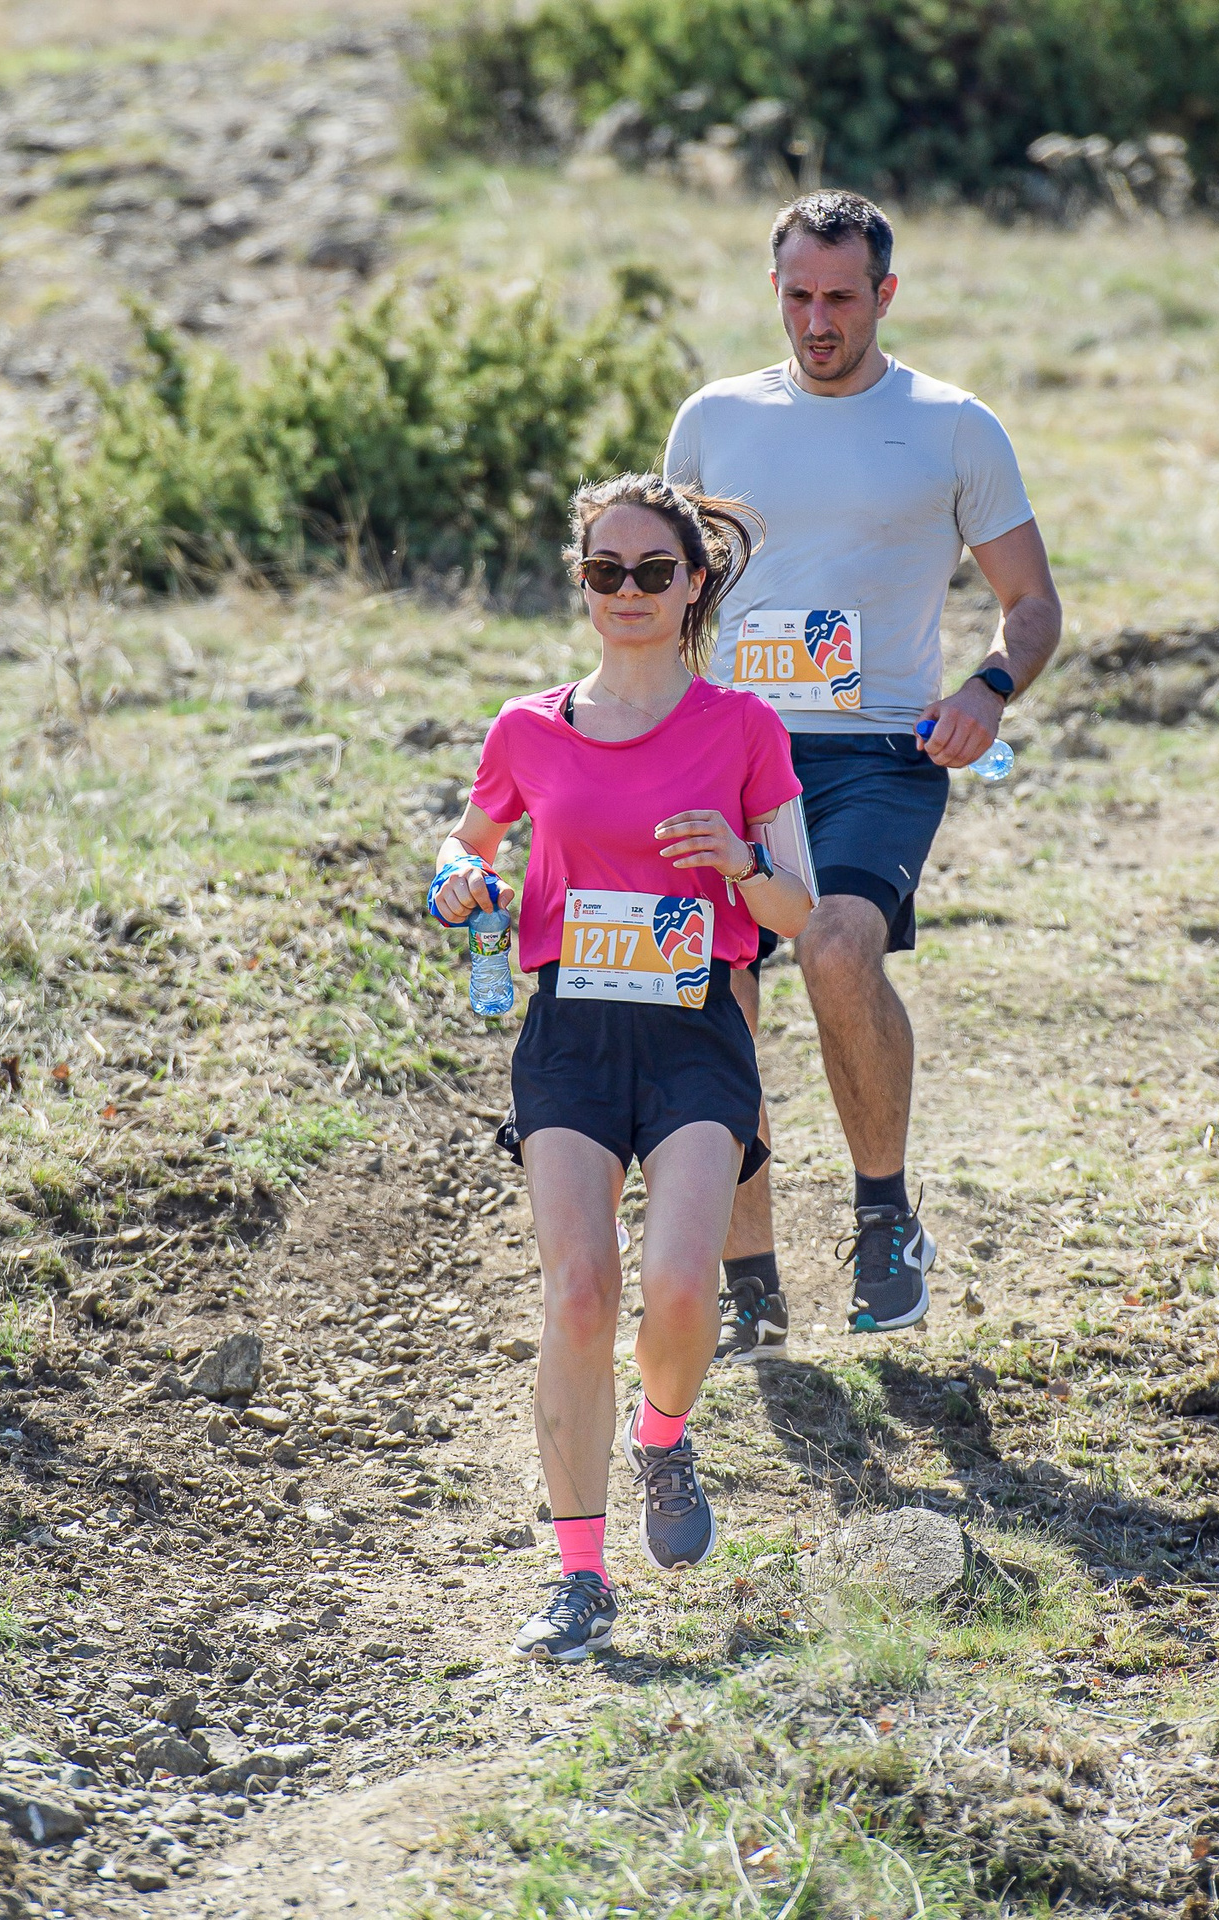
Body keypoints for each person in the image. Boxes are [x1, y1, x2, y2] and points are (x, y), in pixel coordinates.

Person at [663, 189, 1064, 1360]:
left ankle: (885, 1221)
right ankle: (748, 1284)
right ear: (773, 290)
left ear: (884, 294)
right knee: (715, 992)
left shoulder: (951, 426)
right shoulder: (713, 420)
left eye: (840, 297)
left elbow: (1031, 603)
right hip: (727, 751)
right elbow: (665, 592)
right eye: (797, 296)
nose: (817, 320)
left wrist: (987, 690)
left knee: (836, 947)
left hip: (875, 752)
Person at [429, 474, 817, 1663]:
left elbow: (798, 911)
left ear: (694, 583)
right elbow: (467, 842)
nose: (629, 591)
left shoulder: (744, 727)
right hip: (572, 1031)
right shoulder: (526, 727)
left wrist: (738, 862)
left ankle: (661, 1432)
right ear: (582, 583)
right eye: (606, 571)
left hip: (696, 1028)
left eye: (654, 571)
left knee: (682, 1286)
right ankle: (580, 1578)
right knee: (580, 1292)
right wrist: (459, 880)